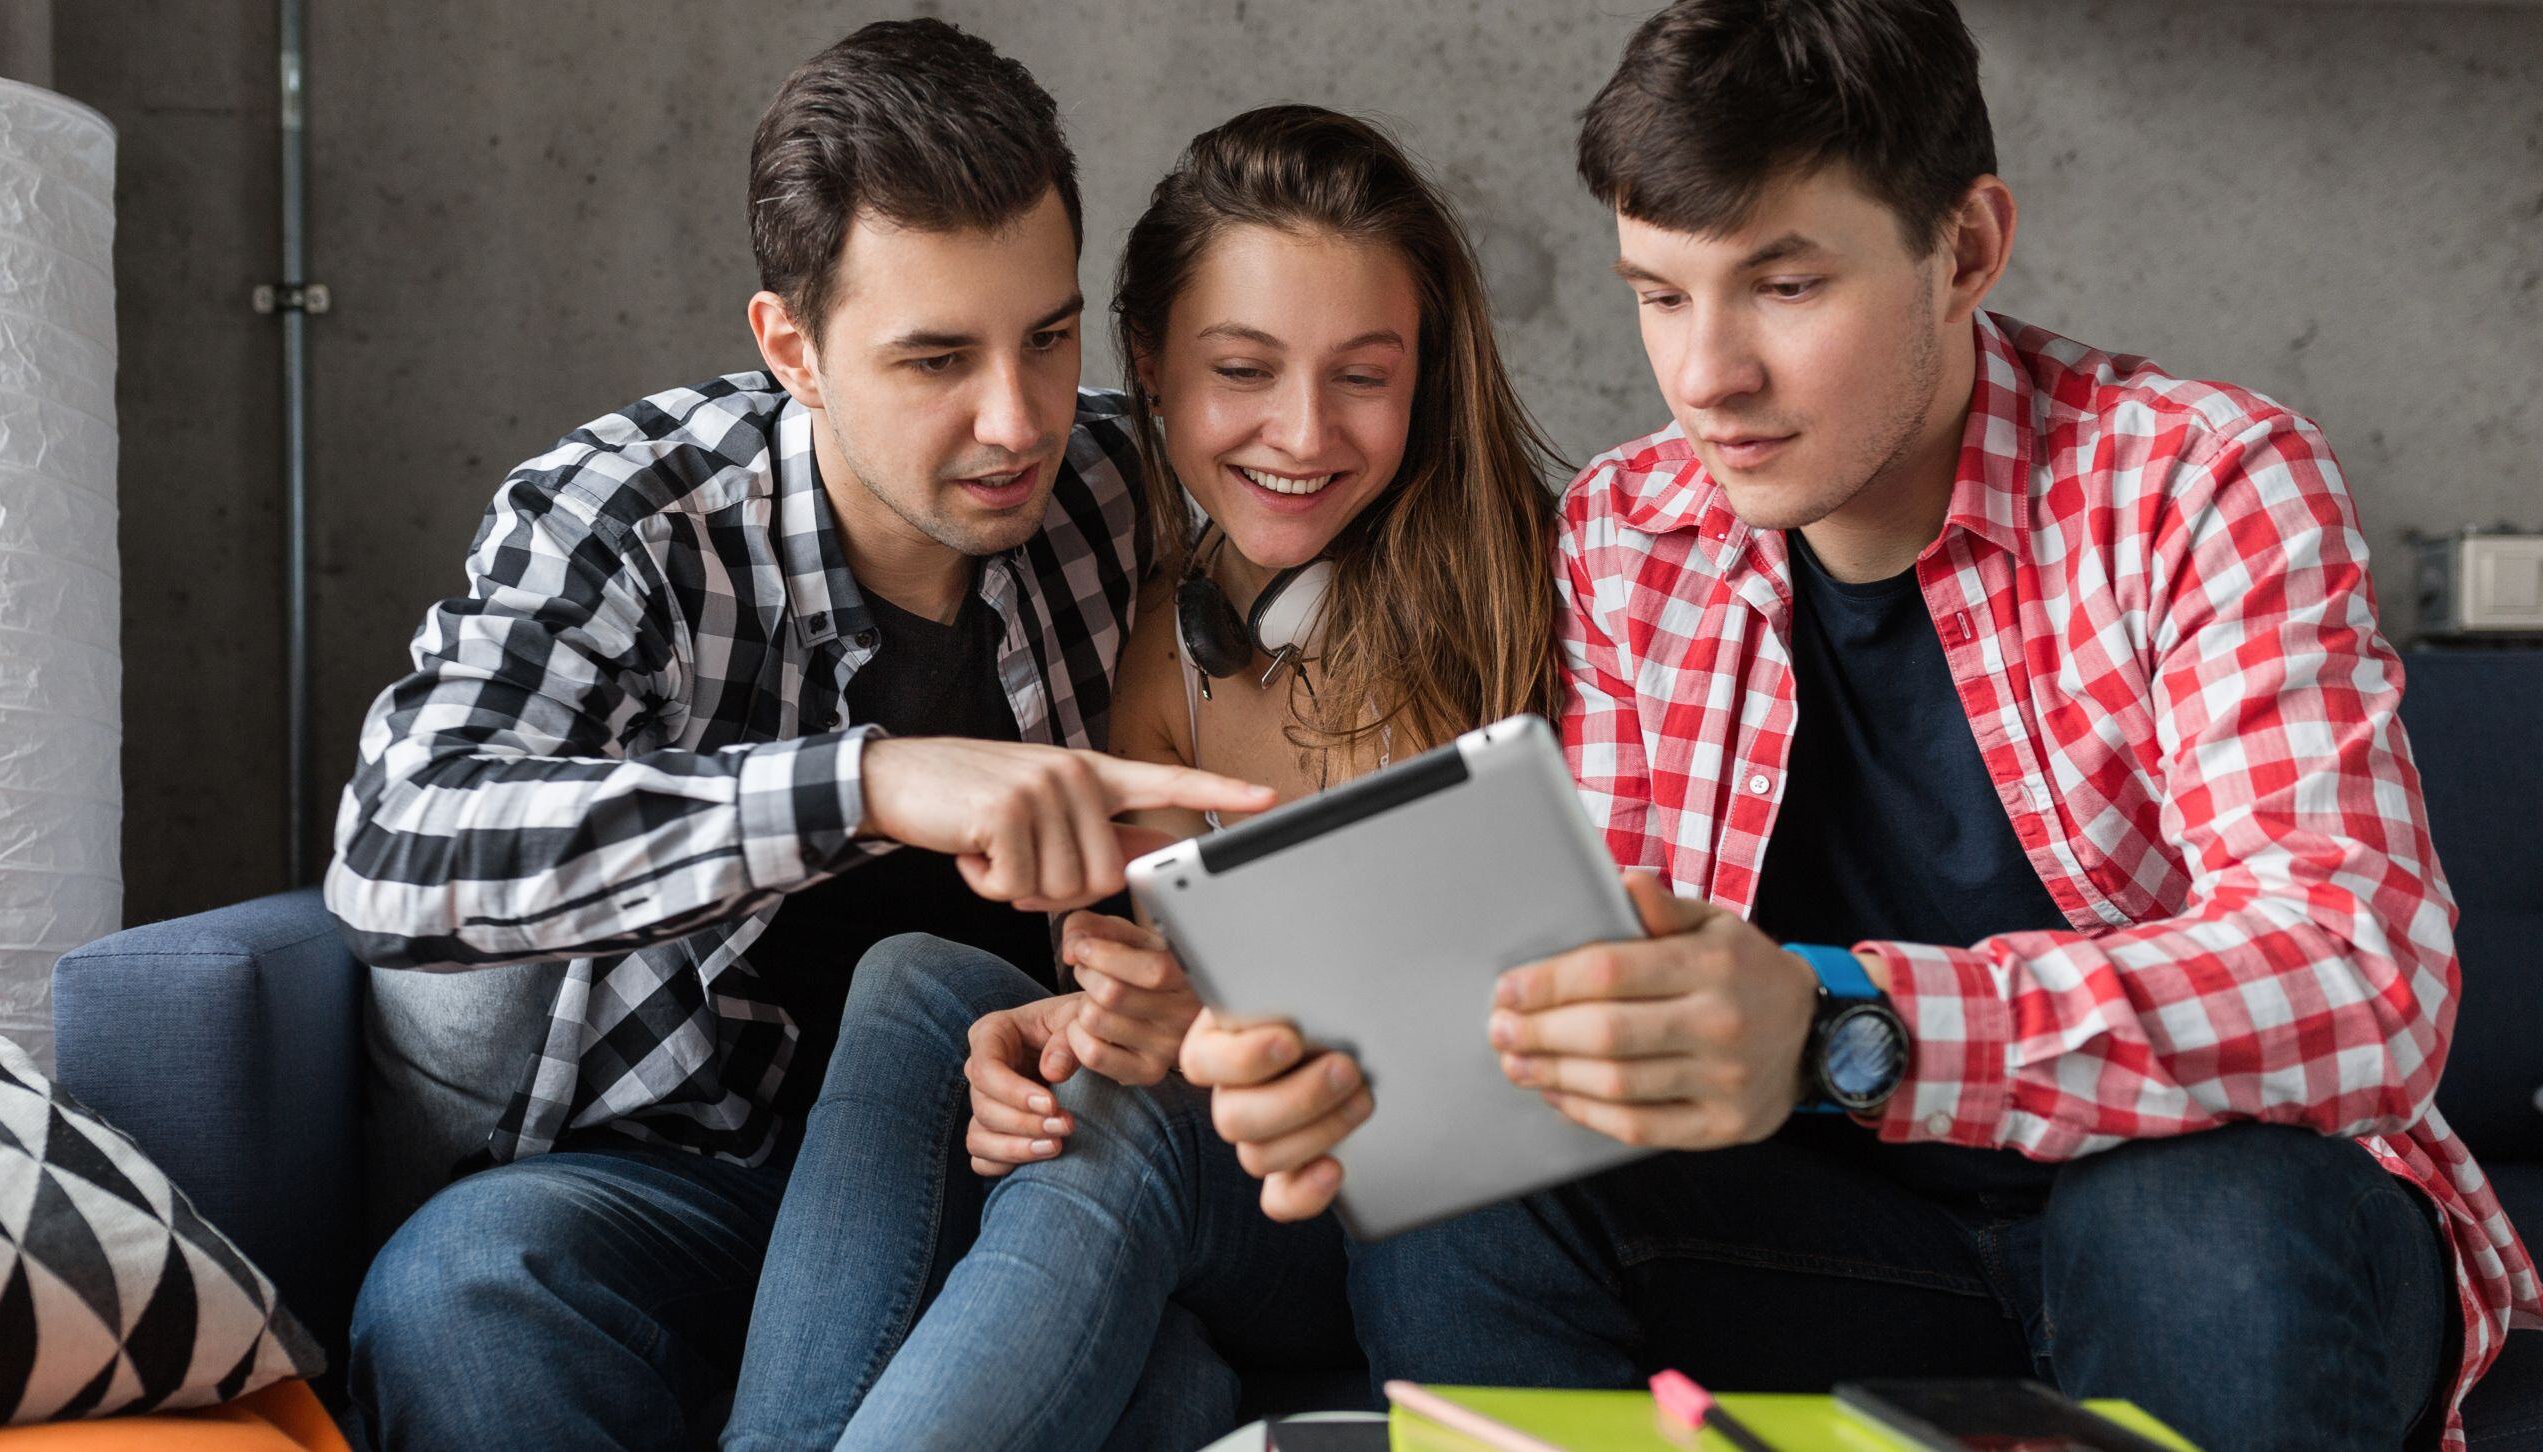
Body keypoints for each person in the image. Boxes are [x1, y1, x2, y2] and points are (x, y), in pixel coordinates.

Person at [1182, 3, 2538, 1449]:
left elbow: (2359, 977)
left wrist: (1854, 1026)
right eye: (1659, 295)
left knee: (2196, 1213)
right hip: (1843, 1247)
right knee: (1464, 1200)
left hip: (2202, 1229)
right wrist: (1367, 1073)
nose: (1707, 377)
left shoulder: (2201, 484)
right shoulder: (1634, 532)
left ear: (1964, 249)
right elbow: (1632, 979)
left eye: (1784, 287)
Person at [320, 21, 1273, 1451]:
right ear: (794, 349)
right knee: (460, 1286)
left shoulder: (1121, 491)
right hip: (695, 1165)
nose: (1018, 420)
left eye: (1051, 336)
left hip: (997, 1152)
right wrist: (874, 781)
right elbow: (397, 850)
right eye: (935, 358)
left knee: (1165, 1381)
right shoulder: (630, 524)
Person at [721, 105, 1563, 1452]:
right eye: (1243, 368)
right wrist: (1066, 1027)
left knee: (1119, 1130)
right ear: (1153, 370)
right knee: (920, 990)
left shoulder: (1525, 596)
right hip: (1233, 1177)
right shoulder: (1155, 612)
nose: (1302, 430)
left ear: (1427, 377)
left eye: (1365, 373)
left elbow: (1492, 1039)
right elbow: (1155, 973)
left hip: (1402, 1203)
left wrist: (1181, 1039)